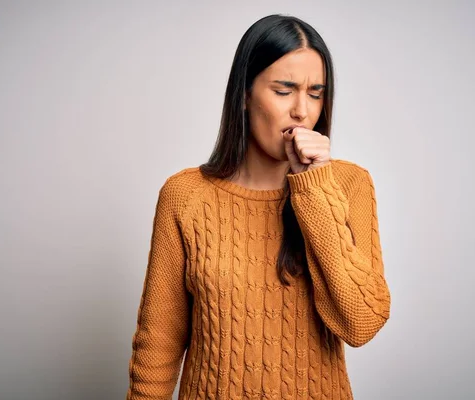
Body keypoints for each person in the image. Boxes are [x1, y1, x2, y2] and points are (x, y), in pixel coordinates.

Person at [126, 13, 391, 400]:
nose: (302, 110)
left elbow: (361, 322)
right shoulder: (185, 195)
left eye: (315, 93)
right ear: (246, 95)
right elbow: (159, 342)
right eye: (284, 90)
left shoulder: (348, 185)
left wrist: (313, 184)